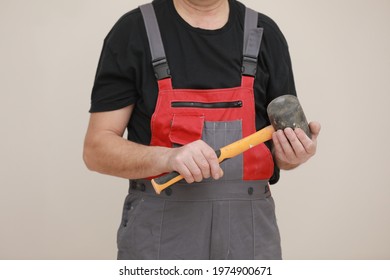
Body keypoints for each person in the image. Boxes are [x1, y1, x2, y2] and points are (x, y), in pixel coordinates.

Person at [83, 0, 320, 260]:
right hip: (160, 236)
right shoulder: (133, 31)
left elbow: (280, 148)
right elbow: (96, 149)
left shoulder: (265, 34)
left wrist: (291, 155)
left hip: (249, 237)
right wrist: (167, 158)